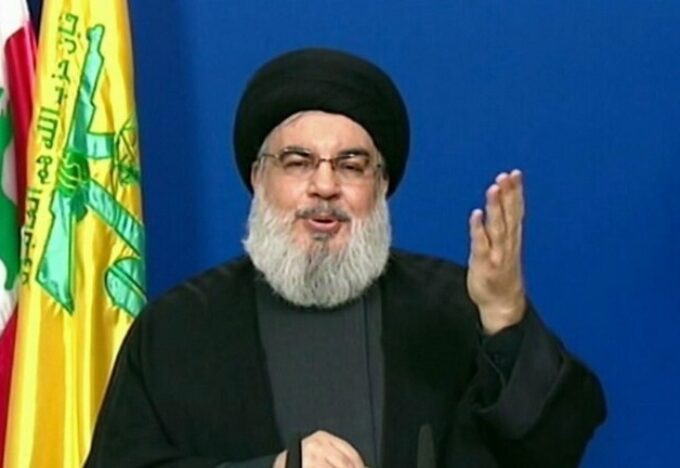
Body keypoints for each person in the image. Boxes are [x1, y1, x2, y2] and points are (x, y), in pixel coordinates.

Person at [85, 48, 606, 468]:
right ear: (258, 178)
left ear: (381, 185)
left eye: (351, 165)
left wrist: (505, 318)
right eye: (298, 162)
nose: (325, 185)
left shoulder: (453, 307)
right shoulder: (178, 327)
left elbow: (554, 449)